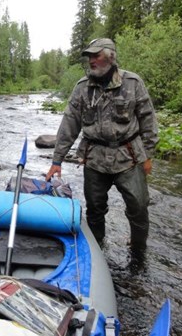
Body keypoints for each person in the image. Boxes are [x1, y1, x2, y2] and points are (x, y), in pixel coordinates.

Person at [45, 38, 158, 253]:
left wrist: (148, 155)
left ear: (111, 56)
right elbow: (69, 123)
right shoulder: (81, 88)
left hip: (129, 157)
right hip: (94, 158)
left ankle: (138, 253)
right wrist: (57, 160)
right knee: (95, 210)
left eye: (96, 56)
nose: (91, 61)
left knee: (139, 207)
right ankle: (97, 251)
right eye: (89, 57)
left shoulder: (133, 83)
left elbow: (148, 119)